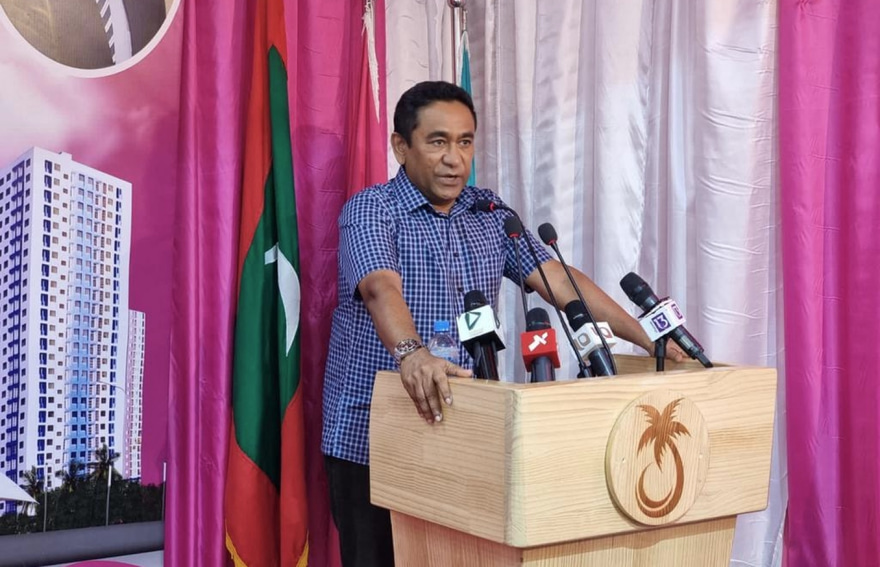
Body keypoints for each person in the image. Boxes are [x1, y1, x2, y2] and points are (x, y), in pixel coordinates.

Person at [321, 80, 681, 567]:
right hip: (376, 438)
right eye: (438, 142)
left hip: (466, 431)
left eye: (465, 142)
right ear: (401, 146)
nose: (454, 159)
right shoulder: (372, 209)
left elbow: (557, 279)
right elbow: (380, 287)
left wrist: (649, 339)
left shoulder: (489, 214)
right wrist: (413, 354)